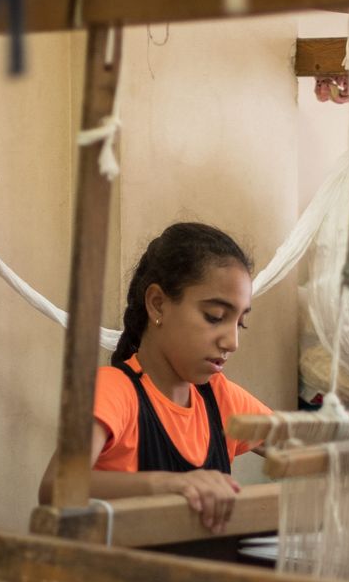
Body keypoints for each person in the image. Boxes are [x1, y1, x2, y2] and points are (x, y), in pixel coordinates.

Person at [38, 223, 271, 534]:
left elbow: (302, 445)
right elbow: (57, 487)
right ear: (158, 304)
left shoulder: (218, 396)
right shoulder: (114, 390)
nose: (231, 342)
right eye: (215, 317)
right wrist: (170, 484)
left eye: (240, 323)